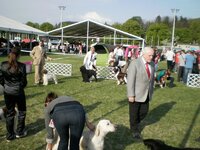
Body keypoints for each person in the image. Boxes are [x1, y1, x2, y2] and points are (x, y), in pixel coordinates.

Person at [127, 47, 155, 140]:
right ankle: (134, 130)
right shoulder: (135, 63)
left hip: (146, 93)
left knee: (144, 112)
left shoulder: (152, 64)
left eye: (152, 55)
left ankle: (134, 122)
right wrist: (131, 94)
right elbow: (130, 80)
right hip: (135, 94)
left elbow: (150, 80)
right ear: (143, 54)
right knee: (134, 113)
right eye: (149, 55)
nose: (151, 57)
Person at [0, 47, 27, 142]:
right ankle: (19, 132)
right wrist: (18, 87)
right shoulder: (21, 66)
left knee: (10, 113)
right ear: (19, 55)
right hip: (17, 92)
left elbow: (1, 79)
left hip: (8, 92)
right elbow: (24, 82)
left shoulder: (3, 64)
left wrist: (7, 86)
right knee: (22, 112)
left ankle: (10, 135)